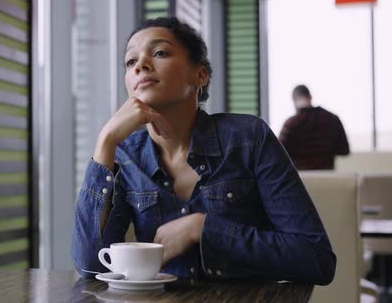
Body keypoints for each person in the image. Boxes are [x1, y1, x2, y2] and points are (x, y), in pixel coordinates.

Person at [70, 17, 335, 285]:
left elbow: (316, 258)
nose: (140, 65)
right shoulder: (125, 155)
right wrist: (105, 141)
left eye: (160, 52)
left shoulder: (249, 138)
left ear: (200, 74)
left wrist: (203, 228)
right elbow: (91, 266)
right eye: (130, 62)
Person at [279, 85, 350, 170]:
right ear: (310, 97)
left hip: (299, 178)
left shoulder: (290, 124)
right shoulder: (332, 119)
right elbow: (345, 151)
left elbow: (278, 154)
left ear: (294, 100)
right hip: (328, 177)